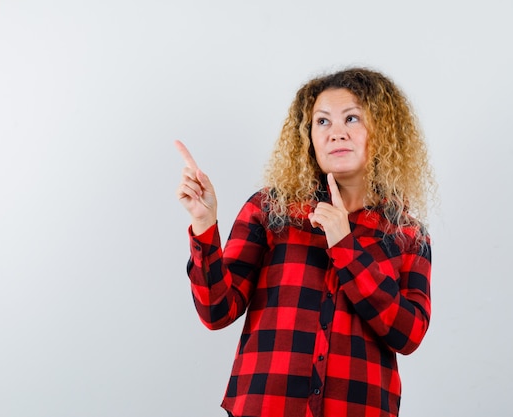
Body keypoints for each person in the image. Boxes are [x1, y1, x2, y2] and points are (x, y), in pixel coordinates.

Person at [175, 67, 434, 417]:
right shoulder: (269, 210)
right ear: (308, 136)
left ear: (383, 133)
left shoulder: (407, 234)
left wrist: (345, 246)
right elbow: (216, 311)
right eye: (323, 122)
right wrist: (204, 224)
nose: (336, 133)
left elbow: (409, 334)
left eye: (352, 118)